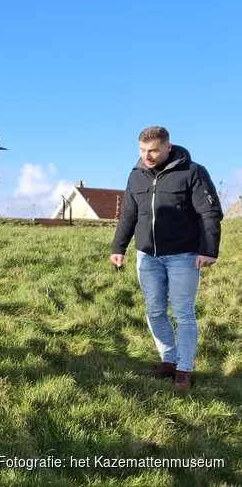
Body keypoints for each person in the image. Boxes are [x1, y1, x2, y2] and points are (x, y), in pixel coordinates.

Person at [110, 126, 223, 393]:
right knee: (155, 311)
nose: (147, 156)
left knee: (183, 314)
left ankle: (184, 370)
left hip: (183, 256)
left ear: (167, 147)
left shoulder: (192, 172)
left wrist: (209, 250)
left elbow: (210, 213)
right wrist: (119, 248)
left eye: (153, 151)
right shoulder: (136, 175)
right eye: (142, 150)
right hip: (147, 256)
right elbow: (128, 214)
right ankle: (168, 361)